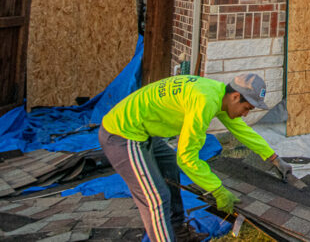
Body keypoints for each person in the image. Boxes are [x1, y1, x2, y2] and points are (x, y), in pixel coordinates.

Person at [99, 73, 293, 242]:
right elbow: (187, 157)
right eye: (247, 108)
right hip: (123, 134)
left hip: (144, 130)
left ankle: (178, 234)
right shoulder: (205, 101)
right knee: (157, 198)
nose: (245, 114)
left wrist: (274, 158)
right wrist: (217, 189)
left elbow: (243, 131)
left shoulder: (217, 94)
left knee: (170, 171)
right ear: (235, 96)